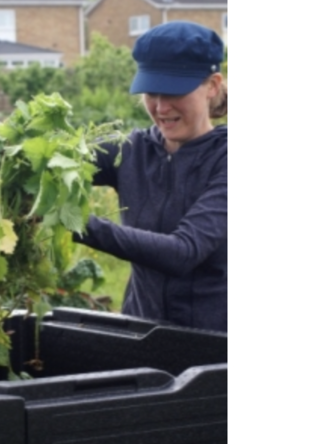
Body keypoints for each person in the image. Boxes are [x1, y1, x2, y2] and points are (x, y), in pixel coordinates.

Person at [73, 21, 227, 332]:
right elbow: (57, 161)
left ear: (212, 85)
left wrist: (74, 221)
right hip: (140, 333)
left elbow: (183, 252)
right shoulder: (132, 149)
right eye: (151, 92)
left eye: (174, 92)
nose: (161, 107)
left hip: (213, 343)